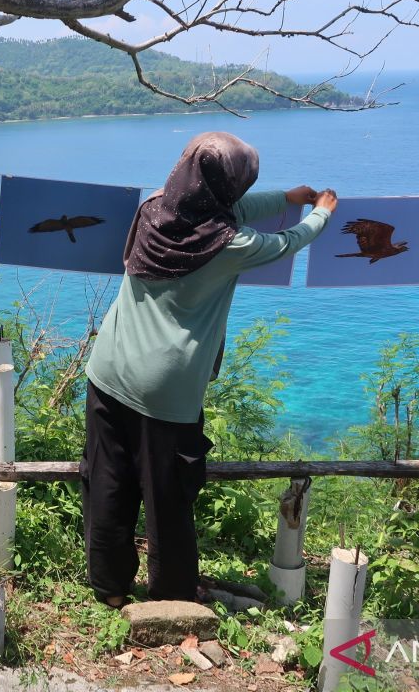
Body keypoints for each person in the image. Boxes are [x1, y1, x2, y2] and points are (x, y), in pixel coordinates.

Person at [82, 131, 337, 607]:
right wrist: (320, 212)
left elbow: (225, 210)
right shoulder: (230, 245)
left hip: (108, 370)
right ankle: (172, 597)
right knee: (168, 500)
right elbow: (285, 243)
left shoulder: (155, 209)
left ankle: (109, 589)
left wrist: (285, 198)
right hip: (166, 389)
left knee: (107, 482)